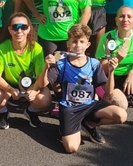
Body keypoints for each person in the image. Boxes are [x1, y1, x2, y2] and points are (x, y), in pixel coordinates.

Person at [39, 24, 127, 153]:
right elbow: (42, 84)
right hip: (70, 108)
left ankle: (89, 124)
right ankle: (65, 126)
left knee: (121, 115)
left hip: (89, 105)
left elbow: (108, 91)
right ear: (68, 44)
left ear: (88, 45)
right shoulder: (61, 63)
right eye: (74, 41)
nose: (78, 45)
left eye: (82, 41)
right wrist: (46, 67)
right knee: (71, 148)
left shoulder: (94, 63)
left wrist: (111, 71)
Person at [0, 12, 51, 130]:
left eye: (23, 27)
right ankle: (3, 112)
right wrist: (10, 89)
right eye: (15, 27)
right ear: (9, 30)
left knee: (45, 99)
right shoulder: (2, 48)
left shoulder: (37, 48)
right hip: (8, 85)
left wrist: (34, 90)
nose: (19, 31)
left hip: (30, 84)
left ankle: (31, 111)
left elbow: (40, 78)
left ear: (29, 29)